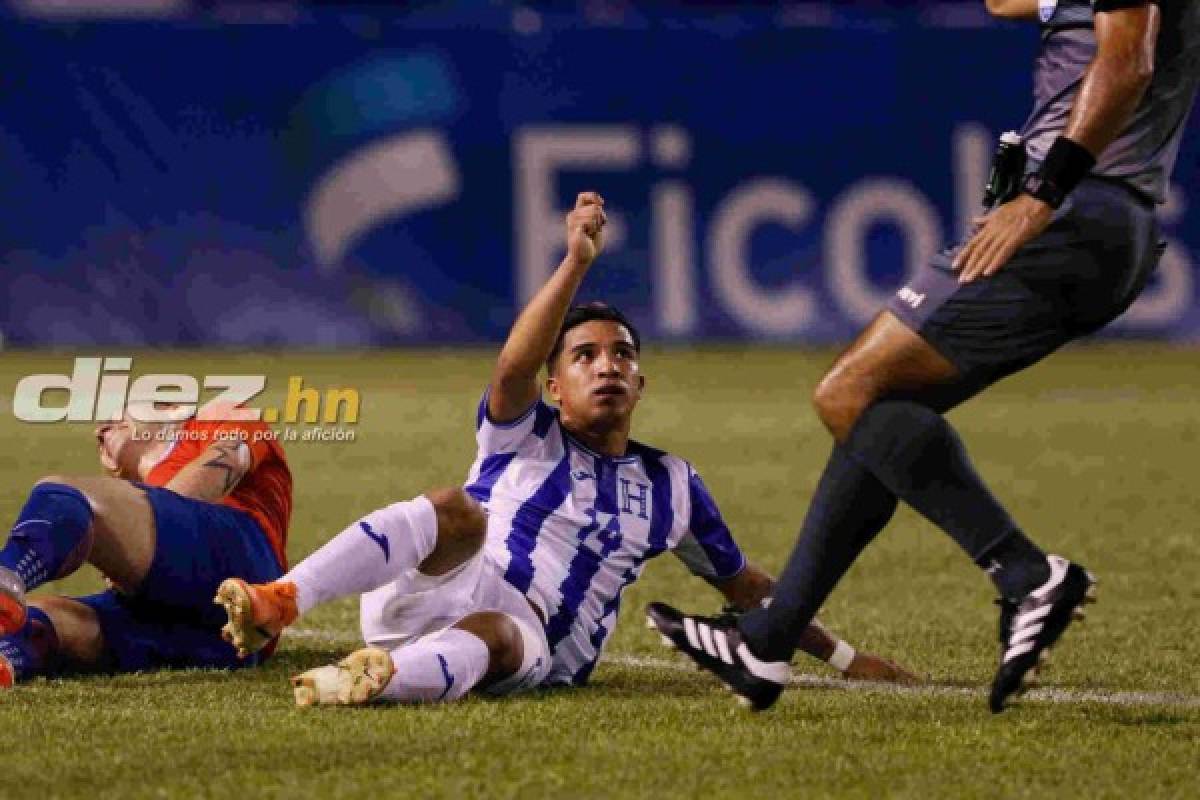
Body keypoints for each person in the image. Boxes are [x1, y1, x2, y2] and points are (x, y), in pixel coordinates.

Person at [648, 0, 1198, 713]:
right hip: (1108, 221)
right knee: (878, 414)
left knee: (848, 392)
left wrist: (1039, 196)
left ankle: (1026, 574)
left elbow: (1128, 62)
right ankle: (769, 640)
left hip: (1073, 208)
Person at [215, 192, 917, 708]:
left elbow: (745, 588)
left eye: (622, 355)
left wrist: (847, 658)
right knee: (452, 509)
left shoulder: (673, 484)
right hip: (435, 590)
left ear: (642, 381)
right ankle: (284, 597)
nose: (606, 365)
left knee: (493, 630)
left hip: (532, 639)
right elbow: (510, 371)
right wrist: (575, 263)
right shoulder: (524, 431)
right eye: (584, 356)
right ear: (555, 385)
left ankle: (372, 679)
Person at [0, 404, 292, 686]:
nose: (99, 430)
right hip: (215, 637)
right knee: (46, 618)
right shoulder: (132, 498)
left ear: (168, 408)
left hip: (246, 572)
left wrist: (140, 524)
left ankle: (8, 573)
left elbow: (225, 463)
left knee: (62, 494)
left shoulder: (216, 416)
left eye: (115, 411)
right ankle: (9, 656)